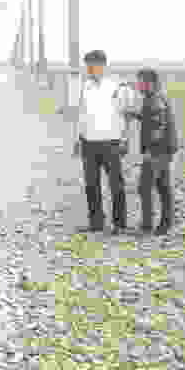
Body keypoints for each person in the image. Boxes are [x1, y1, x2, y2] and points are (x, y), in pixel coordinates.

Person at [73, 49, 131, 234]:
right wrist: (78, 137)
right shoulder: (84, 87)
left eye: (95, 65)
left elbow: (126, 115)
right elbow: (81, 114)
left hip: (112, 142)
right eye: (89, 65)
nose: (91, 69)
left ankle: (119, 224)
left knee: (116, 184)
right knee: (91, 184)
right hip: (89, 142)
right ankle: (96, 223)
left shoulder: (117, 87)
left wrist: (124, 139)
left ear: (104, 66)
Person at [127, 68, 177, 235]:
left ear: (150, 83)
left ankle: (148, 224)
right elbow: (152, 117)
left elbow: (158, 125)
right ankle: (165, 224)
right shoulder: (156, 97)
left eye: (140, 81)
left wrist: (150, 150)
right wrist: (136, 115)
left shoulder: (154, 99)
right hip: (165, 150)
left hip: (157, 151)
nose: (138, 85)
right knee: (163, 187)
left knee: (145, 187)